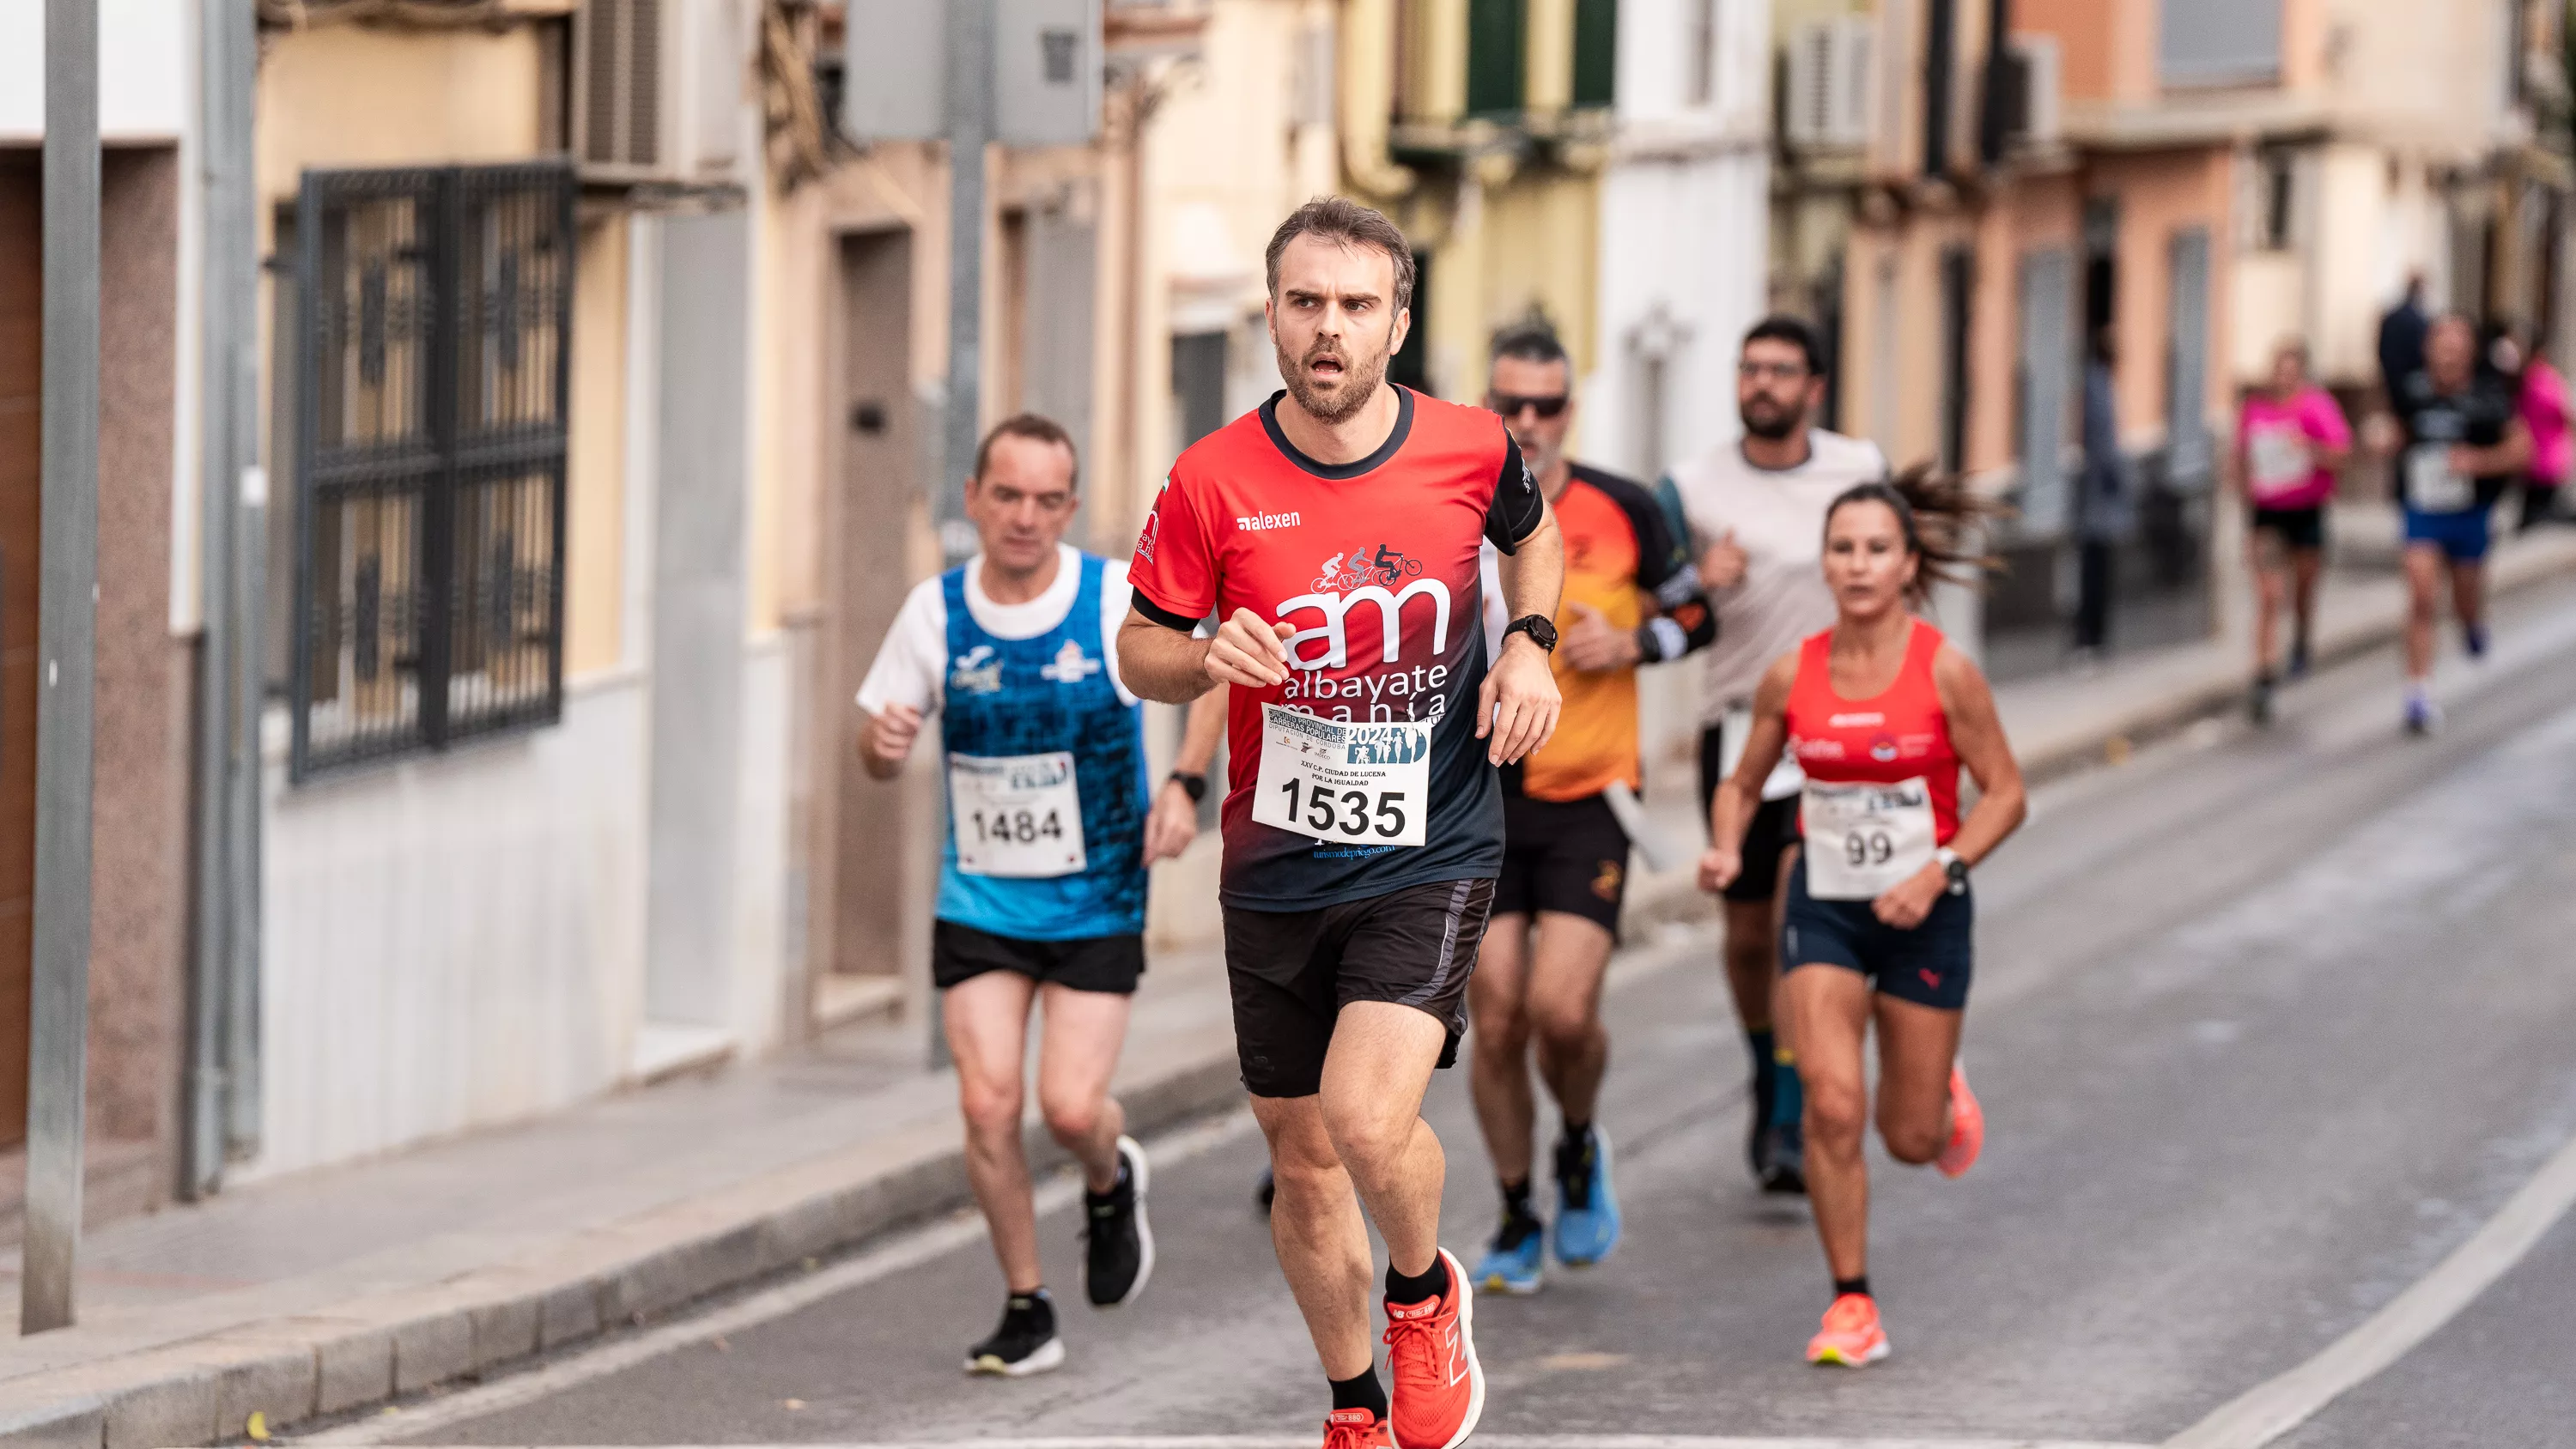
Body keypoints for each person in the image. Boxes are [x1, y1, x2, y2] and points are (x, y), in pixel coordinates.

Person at [1118, 197, 1564, 1449]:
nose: (1329, 331)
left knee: (1370, 1119)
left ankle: (1424, 1296)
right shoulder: (1211, 480)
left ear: (1399, 323)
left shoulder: (1470, 448)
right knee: (1303, 1151)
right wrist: (1204, 654)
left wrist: (1529, 650)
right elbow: (1138, 646)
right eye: (1306, 303)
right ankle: (1354, 1402)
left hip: (1432, 841)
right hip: (1274, 863)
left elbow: (1536, 541)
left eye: (1357, 306)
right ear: (1271, 314)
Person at [855, 413, 1227, 1377]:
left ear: (1071, 507)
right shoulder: (934, 613)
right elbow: (874, 741)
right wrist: (883, 746)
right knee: (987, 1104)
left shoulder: (1113, 601)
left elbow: (1216, 677)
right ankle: (1026, 1302)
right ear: (973, 499)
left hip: (1099, 895)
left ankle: (1109, 1176)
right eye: (1005, 495)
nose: (1024, 517)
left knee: (1067, 1107)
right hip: (980, 898)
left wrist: (1185, 784)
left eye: (1045, 499)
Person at [1698, 466, 2027, 1367]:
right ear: (1826, 562)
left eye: (1877, 548)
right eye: (1842, 548)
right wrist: (1729, 848)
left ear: (1909, 563)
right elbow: (1741, 782)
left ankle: (1939, 1088)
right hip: (1826, 907)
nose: (1858, 564)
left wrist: (1941, 868)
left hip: (1927, 912)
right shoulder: (1789, 674)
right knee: (1833, 1107)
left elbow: (2006, 794)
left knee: (1911, 1138)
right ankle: (1853, 1301)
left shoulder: (1947, 673)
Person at [1461, 324, 1714, 1296]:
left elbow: (1699, 611)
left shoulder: (1626, 505)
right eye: (1509, 404)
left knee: (1564, 1012)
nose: (1527, 422)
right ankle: (1520, 1209)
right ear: (1488, 404)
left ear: (1571, 407)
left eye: (1546, 404)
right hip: (1478, 796)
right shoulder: (1451, 504)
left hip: (1587, 797)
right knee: (1499, 1013)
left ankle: (1575, 1140)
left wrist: (1637, 642)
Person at [1665, 316, 1888, 1196]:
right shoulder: (1692, 485)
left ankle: (1795, 1106)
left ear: (1814, 387)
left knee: (1805, 907)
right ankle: (1769, 1064)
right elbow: (1663, 602)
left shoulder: (1857, 469)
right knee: (1749, 930)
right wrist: (1698, 583)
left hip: (1835, 726)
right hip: (1739, 725)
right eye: (1749, 368)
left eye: (1781, 370)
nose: (1762, 383)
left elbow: (1895, 568)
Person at [2362, 313, 2532, 734]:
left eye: (2456, 342)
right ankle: (2418, 694)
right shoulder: (2412, 391)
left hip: (2469, 514)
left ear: (2469, 351)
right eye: (2440, 341)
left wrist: (2477, 462)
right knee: (2420, 595)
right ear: (2428, 349)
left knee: (2463, 598)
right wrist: (2382, 439)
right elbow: (2395, 430)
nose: (2447, 350)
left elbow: (2522, 449)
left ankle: (2472, 623)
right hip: (2422, 510)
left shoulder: (2488, 397)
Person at [2233, 338, 2351, 724]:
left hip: (2306, 510)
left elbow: (2341, 455)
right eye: (2277, 370)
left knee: (2302, 587)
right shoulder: (2255, 409)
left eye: (2290, 371)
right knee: (2269, 595)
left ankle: (2301, 636)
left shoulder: (2317, 407)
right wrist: (2243, 489)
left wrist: (2309, 449)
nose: (2282, 378)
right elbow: (2239, 458)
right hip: (2267, 512)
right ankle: (2263, 675)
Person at [2073, 326, 2130, 658]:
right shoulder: (2098, 387)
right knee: (2094, 570)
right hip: (2095, 500)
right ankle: (2090, 636)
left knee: (2097, 569)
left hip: (2096, 499)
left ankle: (2094, 635)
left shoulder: (2101, 384)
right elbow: (2105, 447)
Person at [2504, 323, 2569, 530]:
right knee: (2539, 511)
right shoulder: (2542, 378)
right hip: (2544, 453)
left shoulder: (2526, 377)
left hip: (2535, 452)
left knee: (2532, 507)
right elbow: (2562, 411)